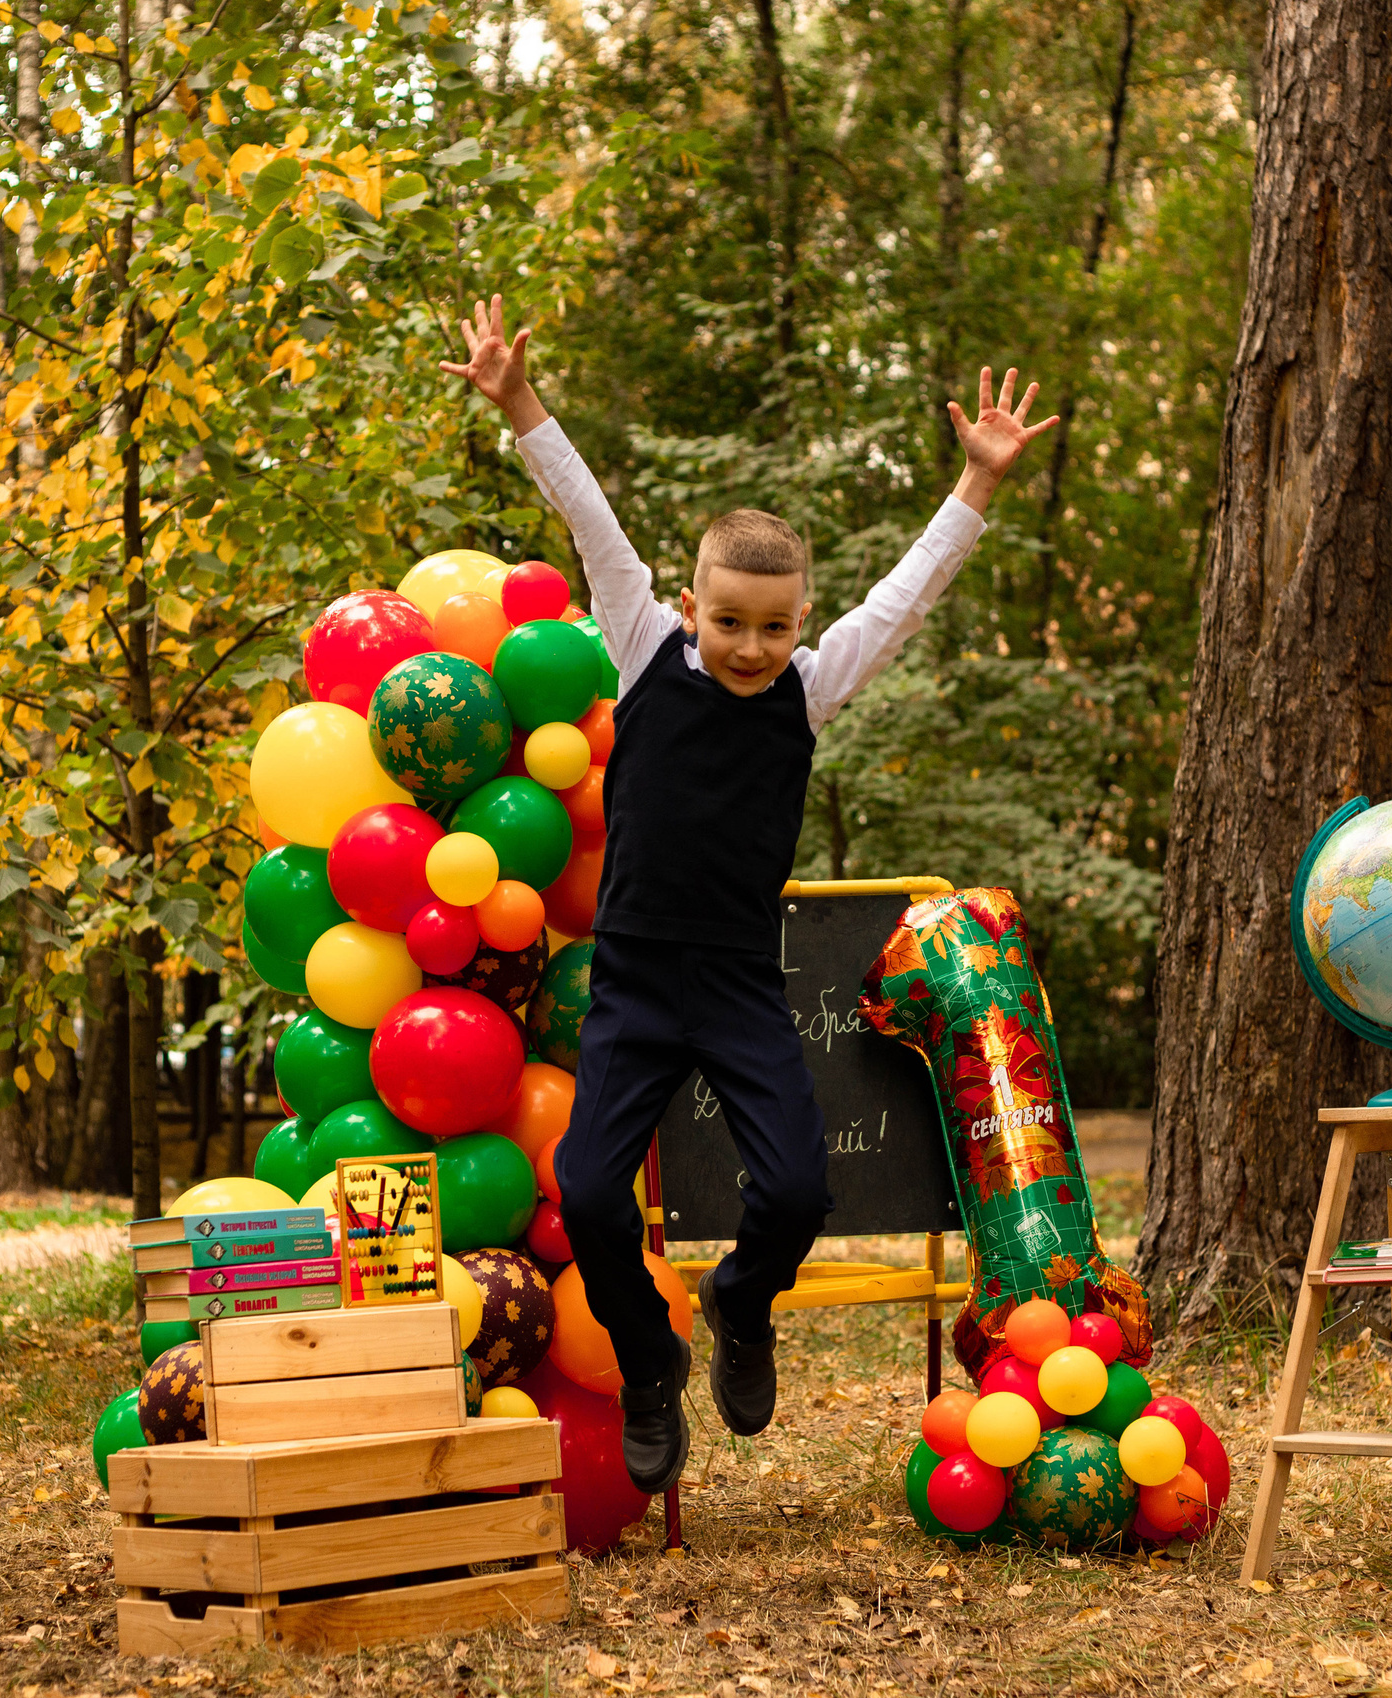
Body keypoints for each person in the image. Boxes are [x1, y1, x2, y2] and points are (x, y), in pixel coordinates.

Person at [441, 296, 1058, 1493]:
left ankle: (740, 1301)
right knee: (588, 1195)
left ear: (798, 625)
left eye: (772, 627)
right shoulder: (639, 645)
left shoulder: (809, 689)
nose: (747, 647)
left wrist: (974, 488)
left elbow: (906, 597)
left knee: (795, 1189)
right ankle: (646, 1353)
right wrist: (519, 404)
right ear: (688, 609)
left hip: (731, 981)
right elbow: (591, 520)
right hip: (631, 982)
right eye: (728, 621)